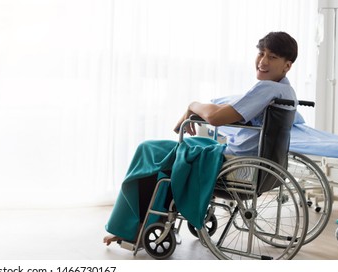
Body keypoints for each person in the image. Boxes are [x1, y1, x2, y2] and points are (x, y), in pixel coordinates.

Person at [103, 31, 299, 246]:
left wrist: (192, 105)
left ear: (286, 65)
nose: (262, 61)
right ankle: (143, 224)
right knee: (167, 154)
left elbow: (215, 117)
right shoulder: (286, 92)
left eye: (272, 57)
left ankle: (134, 228)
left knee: (149, 150)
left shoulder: (267, 88)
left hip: (236, 164)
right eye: (261, 53)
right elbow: (228, 112)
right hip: (257, 163)